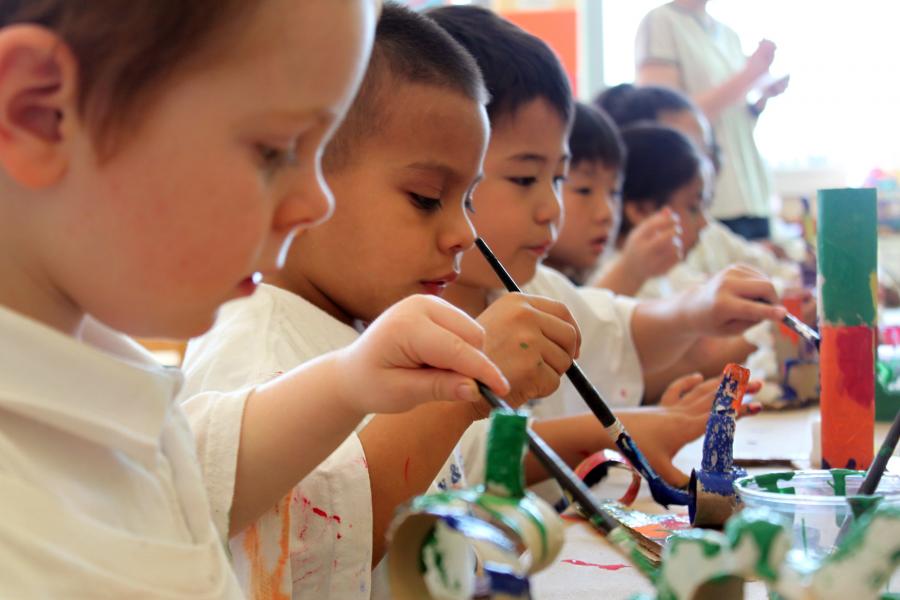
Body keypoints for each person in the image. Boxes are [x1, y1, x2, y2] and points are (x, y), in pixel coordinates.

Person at [0, 1, 509, 595]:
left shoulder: (94, 371)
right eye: (275, 149)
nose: (317, 202)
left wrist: (347, 382)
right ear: (40, 112)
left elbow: (199, 470)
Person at [180, 5, 575, 598]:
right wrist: (461, 394)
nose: (464, 233)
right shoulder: (252, 348)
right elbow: (305, 551)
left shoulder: (369, 331)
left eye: (467, 199)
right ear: (305, 182)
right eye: (425, 197)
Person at [429, 5, 784, 482]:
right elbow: (454, 461)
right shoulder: (399, 317)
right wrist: (610, 433)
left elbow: (617, 329)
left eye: (557, 178)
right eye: (524, 177)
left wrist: (693, 309)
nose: (551, 208)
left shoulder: (533, 287)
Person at [635, 0, 789, 240]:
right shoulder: (661, 22)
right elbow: (664, 121)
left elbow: (731, 120)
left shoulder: (729, 35)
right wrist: (749, 76)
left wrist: (760, 99)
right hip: (711, 199)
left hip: (751, 193)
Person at [545, 101, 682, 289]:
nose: (607, 214)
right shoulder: (529, 286)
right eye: (584, 190)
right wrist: (630, 273)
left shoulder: (592, 271)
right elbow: (581, 316)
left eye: (615, 192)